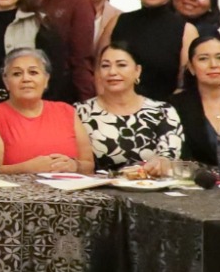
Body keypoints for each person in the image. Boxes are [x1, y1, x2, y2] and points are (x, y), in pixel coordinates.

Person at [77, 42, 185, 177]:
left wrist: (161, 163)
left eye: (121, 65)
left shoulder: (163, 111)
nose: (112, 72)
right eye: (105, 66)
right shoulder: (79, 112)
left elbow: (169, 155)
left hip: (151, 186)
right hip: (98, 187)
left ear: (137, 71)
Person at [0, 49, 93, 175]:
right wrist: (25, 168)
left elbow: (89, 165)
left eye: (33, 72)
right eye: (17, 74)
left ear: (46, 79)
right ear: (6, 82)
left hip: (71, 187)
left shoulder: (67, 111)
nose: (26, 79)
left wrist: (74, 165)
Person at [99, 0, 195, 101]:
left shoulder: (186, 30)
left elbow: (185, 83)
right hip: (114, 105)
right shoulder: (118, 21)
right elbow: (99, 69)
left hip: (166, 108)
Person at [169, 35, 220, 168]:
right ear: (191, 67)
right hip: (192, 179)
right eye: (203, 59)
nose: (213, 65)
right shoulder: (175, 106)